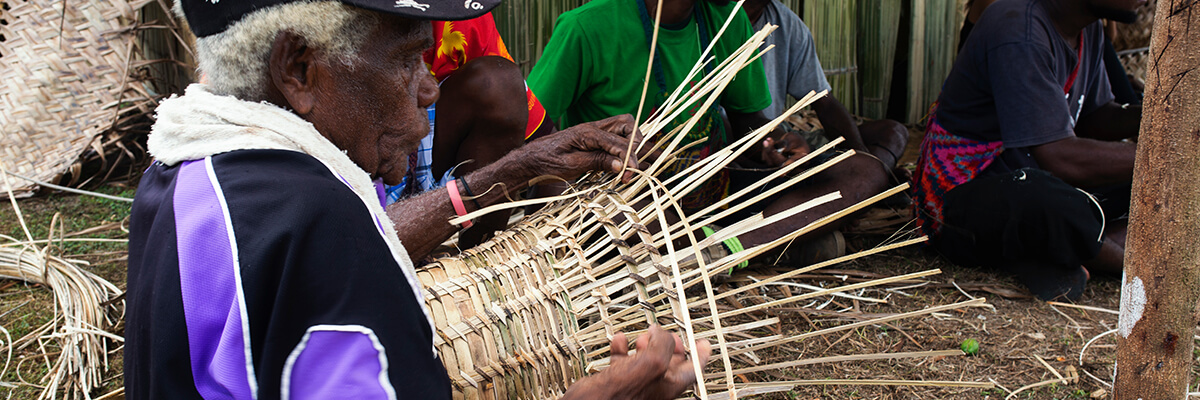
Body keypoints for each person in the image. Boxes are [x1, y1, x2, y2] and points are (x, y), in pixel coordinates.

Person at [125, 0, 711, 397]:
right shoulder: (317, 227)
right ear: (299, 69)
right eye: (407, 59)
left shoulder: (178, 177)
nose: (431, 86)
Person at [529, 0, 905, 268]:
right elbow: (532, 134)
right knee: (641, 218)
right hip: (632, 207)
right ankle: (773, 246)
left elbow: (748, 123)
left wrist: (772, 147)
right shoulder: (587, 27)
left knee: (864, 171)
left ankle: (724, 254)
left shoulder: (726, 18)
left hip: (716, 200)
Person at [914, 0, 1142, 301]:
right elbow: (1059, 157)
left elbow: (1095, 117)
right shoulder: (1017, 28)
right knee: (1045, 201)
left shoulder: (1088, 30)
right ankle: (1130, 262)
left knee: (1164, 183)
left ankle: (1065, 248)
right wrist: (1163, 159)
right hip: (961, 202)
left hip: (1034, 177)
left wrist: (1165, 119)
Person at [389, 13, 555, 249]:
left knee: (497, 83)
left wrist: (549, 247)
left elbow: (545, 144)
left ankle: (481, 255)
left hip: (430, 170)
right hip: (358, 183)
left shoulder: (461, 15)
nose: (426, 90)